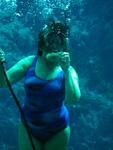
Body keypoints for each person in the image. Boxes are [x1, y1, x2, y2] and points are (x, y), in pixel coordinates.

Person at [0, 17, 81, 150]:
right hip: (29, 128)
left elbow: (73, 99)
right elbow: (3, 83)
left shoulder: (69, 70)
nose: (54, 47)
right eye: (50, 41)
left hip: (58, 131)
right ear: (42, 44)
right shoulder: (29, 62)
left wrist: (66, 70)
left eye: (58, 43)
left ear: (63, 47)